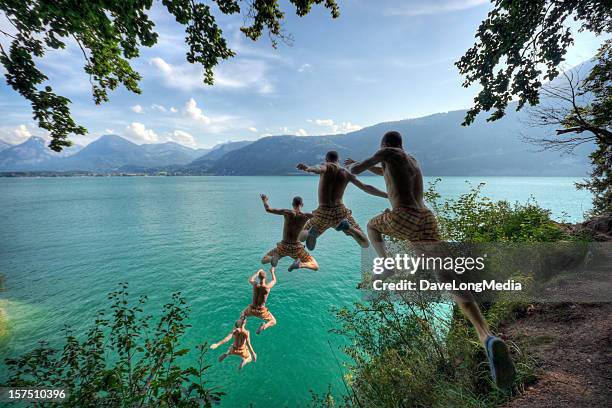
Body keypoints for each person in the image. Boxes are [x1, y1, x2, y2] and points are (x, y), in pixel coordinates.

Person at [346, 130, 516, 390]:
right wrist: (373, 170)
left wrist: (348, 168)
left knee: (372, 225)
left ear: (385, 145)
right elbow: (386, 173)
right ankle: (486, 336)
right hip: (426, 219)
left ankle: (387, 264)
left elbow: (359, 168)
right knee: (447, 278)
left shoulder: (388, 152)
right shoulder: (411, 161)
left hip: (404, 214)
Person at [296, 150, 388, 250]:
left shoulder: (327, 166)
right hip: (340, 212)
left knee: (301, 235)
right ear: (338, 160)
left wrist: (308, 168)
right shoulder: (346, 173)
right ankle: (349, 228)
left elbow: (319, 168)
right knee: (365, 243)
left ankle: (309, 233)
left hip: (323, 211)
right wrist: (388, 195)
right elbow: (365, 187)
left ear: (326, 159)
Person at [260, 194, 319, 271]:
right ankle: (300, 264)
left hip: (283, 246)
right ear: (302, 204)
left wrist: (264, 200)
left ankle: (273, 258)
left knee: (264, 260)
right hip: (297, 248)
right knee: (315, 266)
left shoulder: (287, 212)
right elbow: (319, 217)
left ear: (292, 204)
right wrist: (316, 212)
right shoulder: (306, 216)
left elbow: (268, 209)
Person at [241, 267, 277, 334]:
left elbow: (250, 279)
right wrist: (272, 271)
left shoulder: (255, 285)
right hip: (261, 311)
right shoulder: (267, 287)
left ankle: (241, 327)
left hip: (252, 309)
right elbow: (274, 280)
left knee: (243, 314)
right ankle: (264, 327)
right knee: (273, 321)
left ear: (258, 278)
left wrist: (258, 272)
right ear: (265, 278)